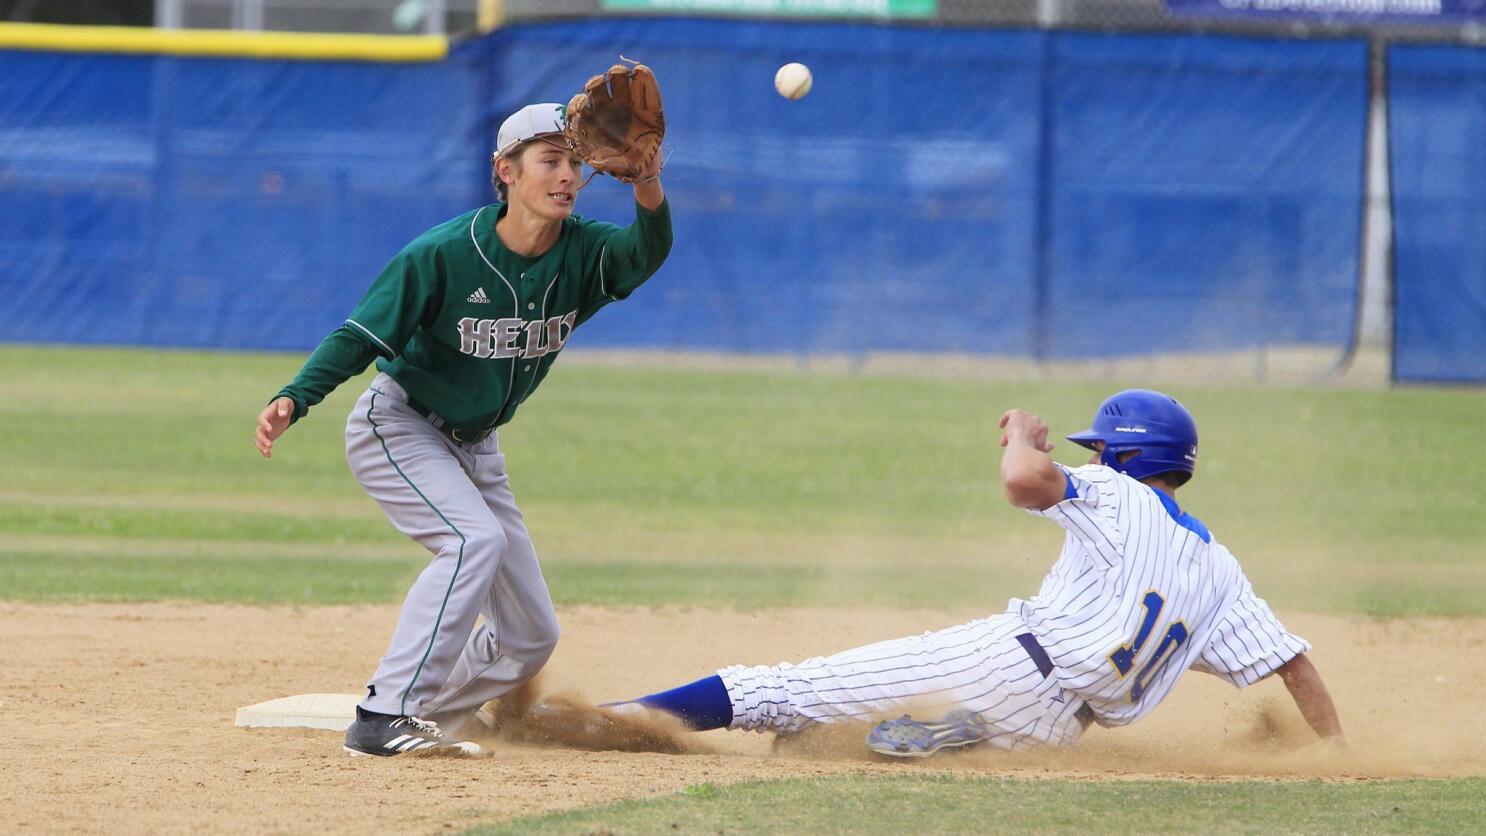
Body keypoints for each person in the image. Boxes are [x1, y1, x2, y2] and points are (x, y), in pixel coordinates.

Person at [254, 102, 671, 756]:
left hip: (478, 447)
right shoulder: (444, 254)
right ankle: (384, 714)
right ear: (504, 171)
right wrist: (295, 398)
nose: (566, 176)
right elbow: (360, 334)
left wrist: (646, 181)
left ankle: (432, 717)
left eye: (574, 163)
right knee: (472, 541)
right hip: (399, 426)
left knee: (531, 635)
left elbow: (644, 252)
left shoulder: (583, 254)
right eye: (549, 161)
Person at [609, 390, 1344, 756]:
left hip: (1009, 664)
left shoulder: (1116, 495)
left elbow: (1023, 481)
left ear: (1126, 459)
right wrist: (1336, 759)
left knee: (781, 692)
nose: (1088, 462)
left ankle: (601, 721)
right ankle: (924, 736)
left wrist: (1023, 436)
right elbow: (1295, 668)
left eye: (1098, 452)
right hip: (1052, 733)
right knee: (823, 748)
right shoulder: (1221, 572)